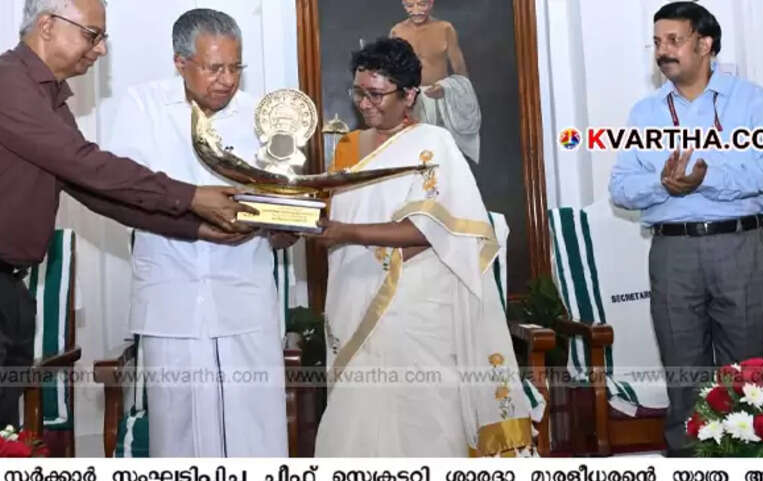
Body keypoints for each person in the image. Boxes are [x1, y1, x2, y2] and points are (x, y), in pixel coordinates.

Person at [0, 0, 256, 457]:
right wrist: (192, 196)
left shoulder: (48, 100)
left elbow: (96, 192)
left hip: (0, 290)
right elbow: (87, 166)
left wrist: (197, 227)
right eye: (93, 35)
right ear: (47, 25)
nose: (101, 50)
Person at [312, 37, 537, 457]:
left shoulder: (435, 143)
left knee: (423, 419)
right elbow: (330, 214)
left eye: (376, 93)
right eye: (359, 92)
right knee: (354, 416)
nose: (365, 103)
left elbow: (434, 227)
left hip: (417, 304)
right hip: (355, 293)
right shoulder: (347, 147)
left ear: (410, 94)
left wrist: (349, 233)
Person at [103, 9, 296, 457]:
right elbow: (124, 193)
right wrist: (194, 221)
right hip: (171, 298)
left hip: (244, 298)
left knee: (257, 431)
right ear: (179, 62)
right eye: (214, 68)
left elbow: (284, 203)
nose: (227, 80)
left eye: (235, 67)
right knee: (180, 434)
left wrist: (286, 224)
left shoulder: (262, 115)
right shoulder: (142, 106)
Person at [608, 2, 763, 455]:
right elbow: (621, 188)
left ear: (705, 44)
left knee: (745, 374)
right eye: (656, 42)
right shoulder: (646, 112)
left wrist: (706, 178)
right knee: (683, 374)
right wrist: (663, 184)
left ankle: (748, 473)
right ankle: (689, 476)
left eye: (673, 40)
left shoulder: (752, 101)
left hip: (740, 246)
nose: (662, 51)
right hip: (674, 255)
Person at [390, 0, 481, 163]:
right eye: (410, 6)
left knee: (442, 157)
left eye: (421, 4)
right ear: (403, 5)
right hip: (411, 103)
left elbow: (461, 72)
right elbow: (391, 73)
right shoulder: (397, 32)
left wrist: (447, 89)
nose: (416, 10)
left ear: (431, 3)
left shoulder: (445, 29)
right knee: (414, 158)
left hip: (440, 102)